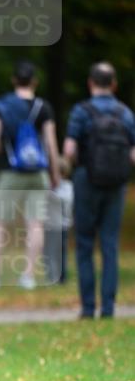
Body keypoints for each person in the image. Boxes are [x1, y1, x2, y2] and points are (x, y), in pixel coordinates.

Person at [0, 61, 60, 290]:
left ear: (13, 80)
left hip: (10, 171)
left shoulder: (3, 105)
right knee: (35, 224)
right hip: (38, 172)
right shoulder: (43, 107)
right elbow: (50, 143)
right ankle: (28, 277)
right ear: (35, 82)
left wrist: (4, 153)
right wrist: (55, 173)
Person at [62, 61, 135, 318]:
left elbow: (69, 150)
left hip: (86, 181)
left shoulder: (81, 112)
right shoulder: (126, 114)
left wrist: (71, 168)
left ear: (90, 83)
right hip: (116, 185)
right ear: (114, 84)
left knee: (84, 244)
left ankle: (87, 307)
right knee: (110, 244)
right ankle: (108, 308)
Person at [42, 156, 74, 285]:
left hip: (61, 225)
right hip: (50, 225)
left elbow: (66, 201)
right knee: (49, 251)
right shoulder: (49, 186)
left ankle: (60, 277)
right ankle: (52, 275)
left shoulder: (66, 187)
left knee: (59, 252)